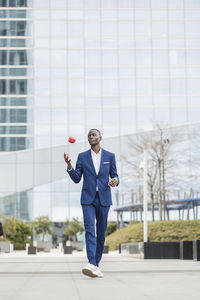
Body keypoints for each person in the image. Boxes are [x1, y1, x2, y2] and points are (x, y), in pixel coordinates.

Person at [64, 129, 119, 278]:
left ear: (100, 137)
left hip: (104, 199)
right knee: (90, 231)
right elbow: (77, 179)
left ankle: (95, 265)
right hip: (88, 199)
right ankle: (91, 262)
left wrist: (115, 181)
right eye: (89, 135)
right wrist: (70, 166)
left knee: (101, 234)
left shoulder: (110, 156)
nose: (91, 137)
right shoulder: (82, 157)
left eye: (93, 134)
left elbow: (115, 175)